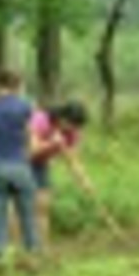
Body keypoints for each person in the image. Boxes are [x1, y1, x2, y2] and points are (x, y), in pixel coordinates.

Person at [0, 68, 40, 268]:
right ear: (16, 87)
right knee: (28, 214)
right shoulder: (26, 106)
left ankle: (0, 257)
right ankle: (32, 256)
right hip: (20, 164)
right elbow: (30, 135)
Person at [29, 100, 92, 246]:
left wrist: (84, 181)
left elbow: (73, 160)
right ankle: (17, 248)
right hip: (19, 162)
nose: (73, 129)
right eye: (71, 124)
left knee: (43, 205)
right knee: (22, 207)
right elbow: (31, 149)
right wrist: (52, 142)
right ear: (62, 117)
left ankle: (42, 247)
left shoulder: (72, 134)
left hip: (40, 165)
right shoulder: (40, 120)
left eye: (76, 127)